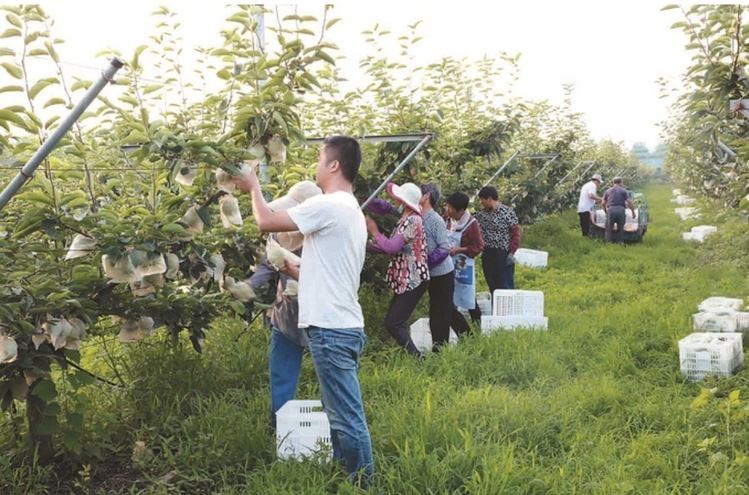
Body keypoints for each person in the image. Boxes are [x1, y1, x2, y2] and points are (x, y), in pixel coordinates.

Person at [234, 136, 373, 487]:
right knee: (337, 412)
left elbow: (265, 221)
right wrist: (291, 270)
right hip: (340, 325)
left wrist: (253, 185)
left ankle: (364, 484)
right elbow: (323, 271)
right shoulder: (350, 210)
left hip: (331, 328)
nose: (315, 163)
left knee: (346, 417)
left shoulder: (329, 205)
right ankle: (346, 477)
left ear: (333, 165)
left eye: (318, 156)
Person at [245, 181, 322, 429]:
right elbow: (268, 266)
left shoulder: (324, 238)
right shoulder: (278, 234)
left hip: (319, 318)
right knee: (281, 375)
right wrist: (245, 288)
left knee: (330, 377)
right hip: (286, 316)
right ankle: (281, 427)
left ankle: (333, 427)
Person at [366, 183, 453, 351]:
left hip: (428, 274)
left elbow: (444, 248)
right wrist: (367, 199)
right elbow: (387, 213)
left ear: (426, 196)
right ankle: (423, 356)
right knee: (394, 321)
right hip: (413, 274)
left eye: (397, 198)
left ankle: (433, 353)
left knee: (439, 312)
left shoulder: (423, 220)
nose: (395, 201)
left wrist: (375, 232)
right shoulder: (407, 216)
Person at [443, 192, 485, 335]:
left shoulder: (472, 224)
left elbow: (478, 246)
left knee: (466, 294)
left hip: (462, 264)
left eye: (451, 208)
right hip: (447, 263)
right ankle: (458, 329)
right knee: (449, 294)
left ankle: (479, 327)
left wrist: (459, 250)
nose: (447, 210)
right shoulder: (446, 220)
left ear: (461, 211)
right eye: (447, 206)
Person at [474, 186, 520, 292]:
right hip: (488, 253)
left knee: (505, 285)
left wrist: (512, 252)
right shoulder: (481, 215)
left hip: (503, 253)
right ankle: (495, 307)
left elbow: (515, 233)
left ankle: (507, 307)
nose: (482, 204)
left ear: (489, 199)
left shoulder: (507, 213)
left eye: (483, 200)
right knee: (492, 284)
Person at [601, 176, 636, 244]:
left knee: (609, 229)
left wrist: (606, 211)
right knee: (620, 229)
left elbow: (603, 203)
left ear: (613, 183)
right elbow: (629, 202)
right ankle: (620, 243)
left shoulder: (607, 191)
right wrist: (633, 212)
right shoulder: (623, 190)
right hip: (621, 210)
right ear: (621, 182)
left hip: (611, 210)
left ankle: (608, 244)